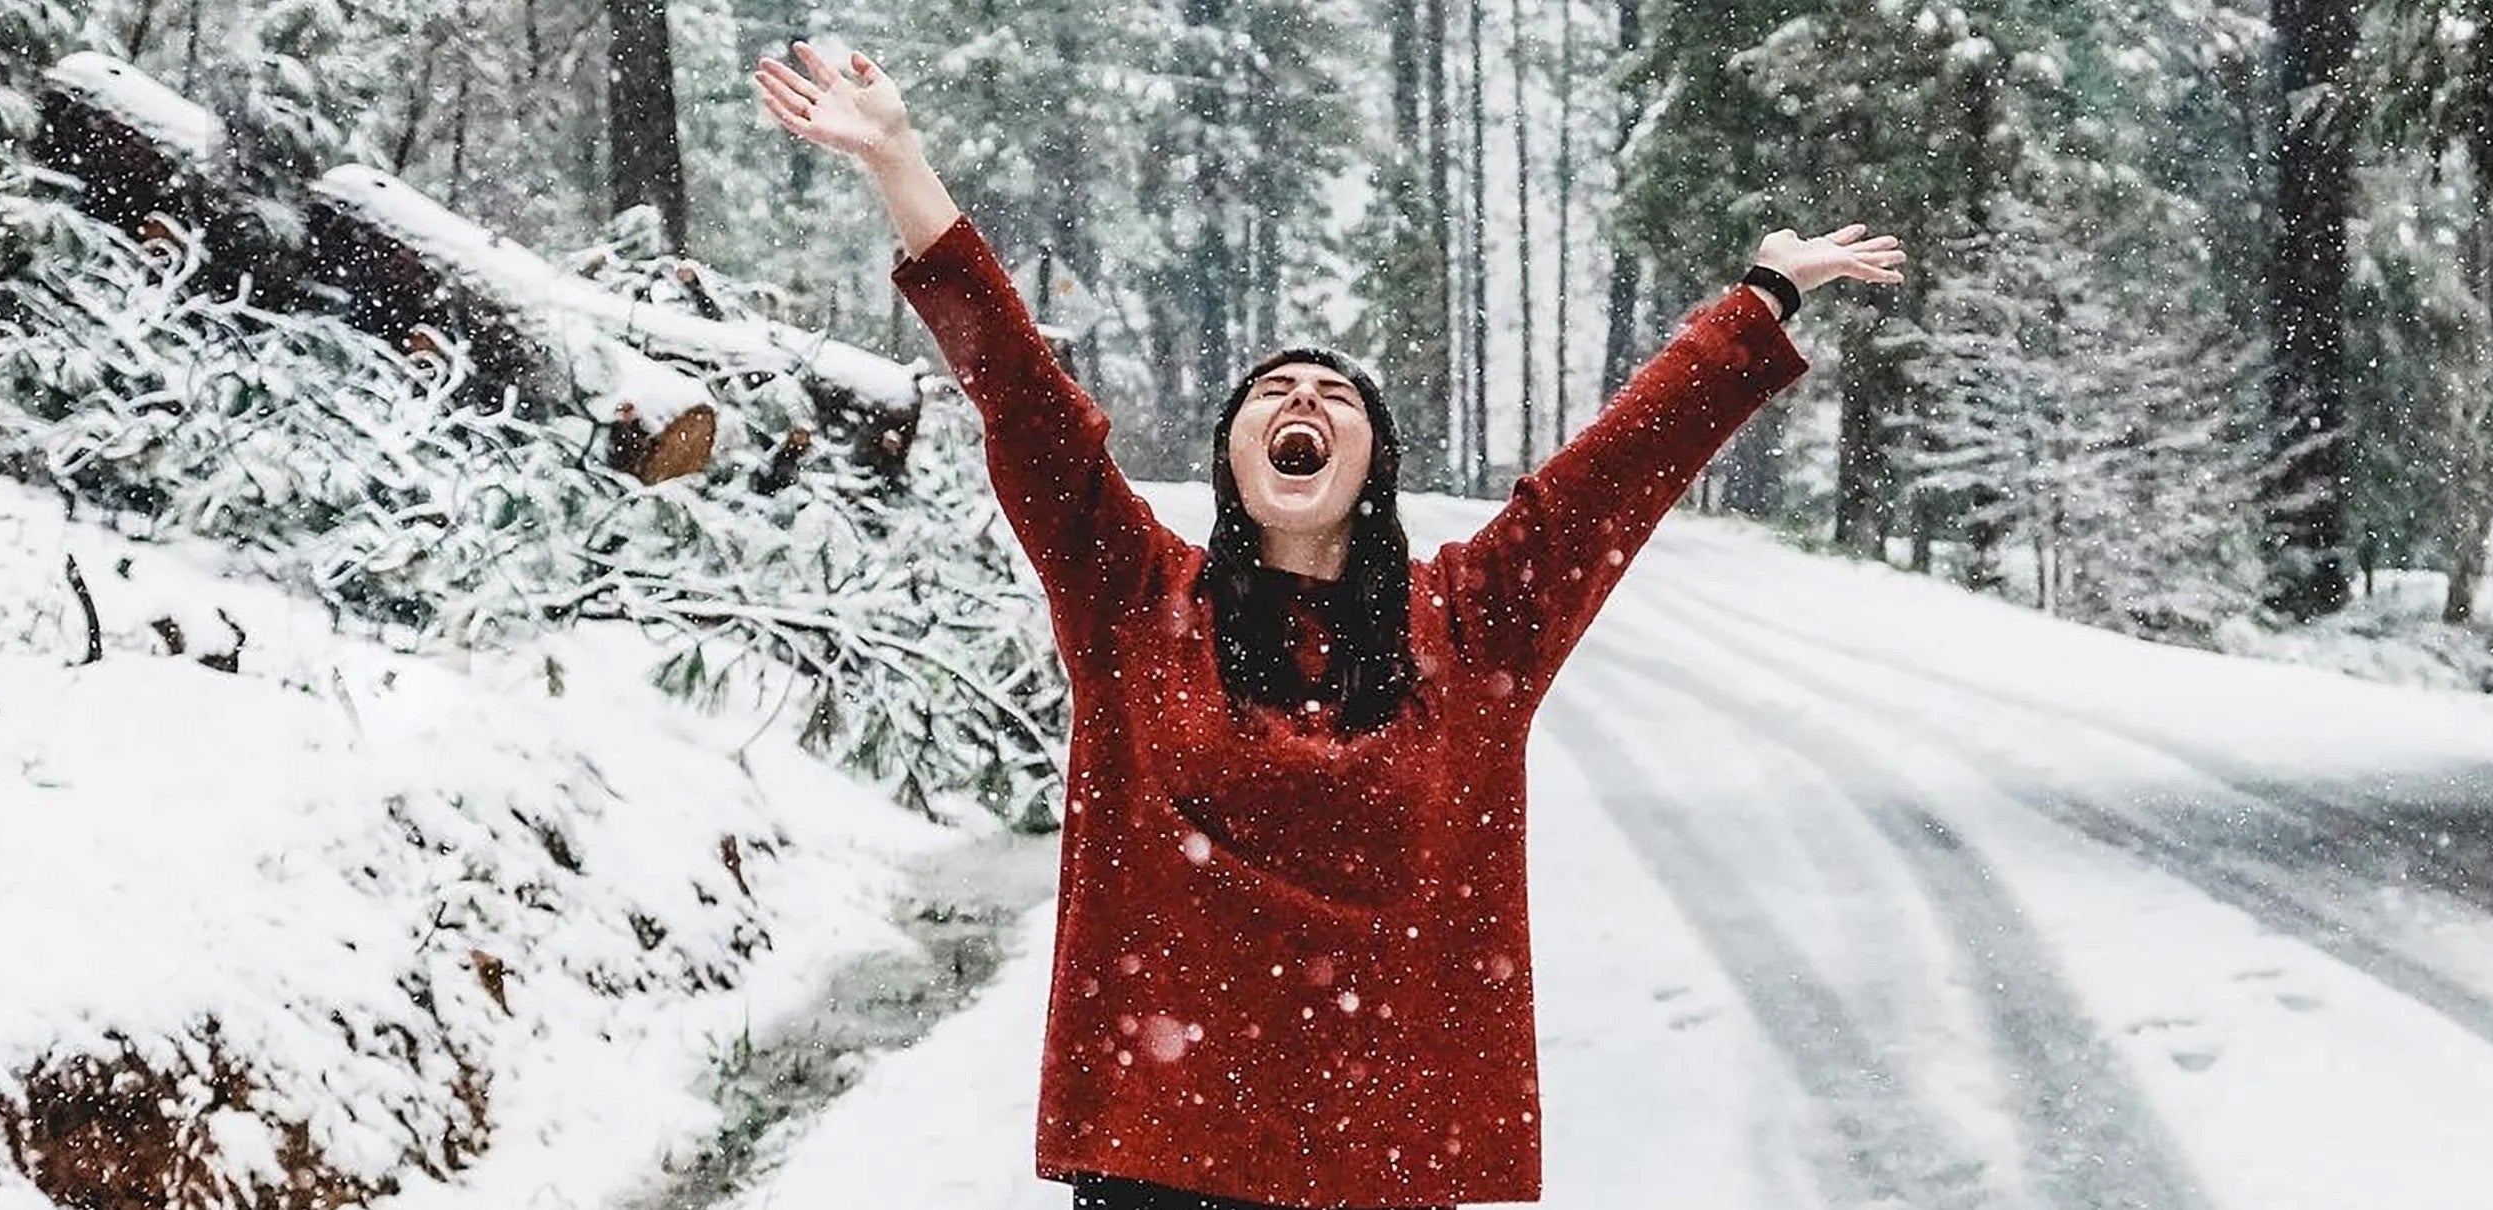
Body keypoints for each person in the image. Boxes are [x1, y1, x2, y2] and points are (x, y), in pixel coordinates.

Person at [753, 37, 1904, 1210]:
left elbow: (1607, 479)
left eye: (1334, 395)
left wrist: (1758, 301)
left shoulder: (1468, 627)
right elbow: (1017, 390)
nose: (1302, 397)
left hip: (1386, 1160)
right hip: (1161, 1157)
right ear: (1234, 459)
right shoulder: (1135, 603)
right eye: (1272, 393)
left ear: (1371, 465)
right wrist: (898, 162)